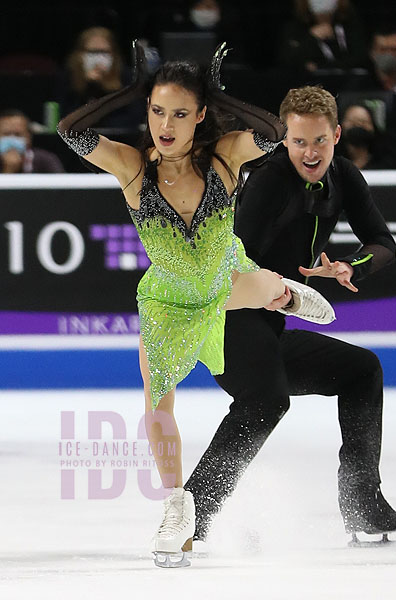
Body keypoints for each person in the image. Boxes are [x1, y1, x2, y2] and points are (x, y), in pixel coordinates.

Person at [57, 41, 330, 568]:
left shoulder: (225, 155)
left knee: (265, 287)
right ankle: (177, 505)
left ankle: (288, 295)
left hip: (225, 277)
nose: (166, 123)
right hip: (169, 300)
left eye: (181, 113)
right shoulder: (132, 166)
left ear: (200, 115)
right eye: (157, 110)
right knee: (156, 401)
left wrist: (222, 95)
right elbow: (71, 131)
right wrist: (130, 90)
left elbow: (275, 134)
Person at [185, 85, 396, 548]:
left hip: (268, 321)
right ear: (283, 138)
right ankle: (193, 511)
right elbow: (235, 256)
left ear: (337, 135)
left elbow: (383, 243)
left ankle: (362, 502)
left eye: (320, 141)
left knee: (362, 370)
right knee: (266, 399)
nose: (310, 153)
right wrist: (275, 290)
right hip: (229, 316)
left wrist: (350, 266)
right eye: (299, 141)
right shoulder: (268, 179)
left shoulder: (344, 176)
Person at [55, 27, 143, 129]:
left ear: (113, 54)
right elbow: (63, 116)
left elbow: (135, 116)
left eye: (104, 52)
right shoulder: (68, 76)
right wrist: (89, 86)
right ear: (80, 54)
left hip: (117, 138)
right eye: (93, 52)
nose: (99, 58)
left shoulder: (126, 76)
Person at [278, 0, 367, 72]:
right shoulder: (295, 28)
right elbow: (288, 61)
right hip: (311, 88)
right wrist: (312, 38)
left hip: (349, 87)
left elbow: (360, 58)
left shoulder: (349, 25)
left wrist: (320, 66)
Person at [351, 28, 396, 92]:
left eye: (394, 49)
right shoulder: (357, 88)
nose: (388, 55)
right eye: (383, 50)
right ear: (372, 53)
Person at [338, 102, 396, 169]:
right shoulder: (333, 157)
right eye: (352, 122)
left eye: (363, 122)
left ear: (373, 127)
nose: (358, 126)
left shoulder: (386, 158)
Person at [0, 109, 64, 173]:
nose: (12, 139)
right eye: (6, 134)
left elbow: (63, 182)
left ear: (29, 137)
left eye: (18, 134)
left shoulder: (46, 160)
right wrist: (8, 171)